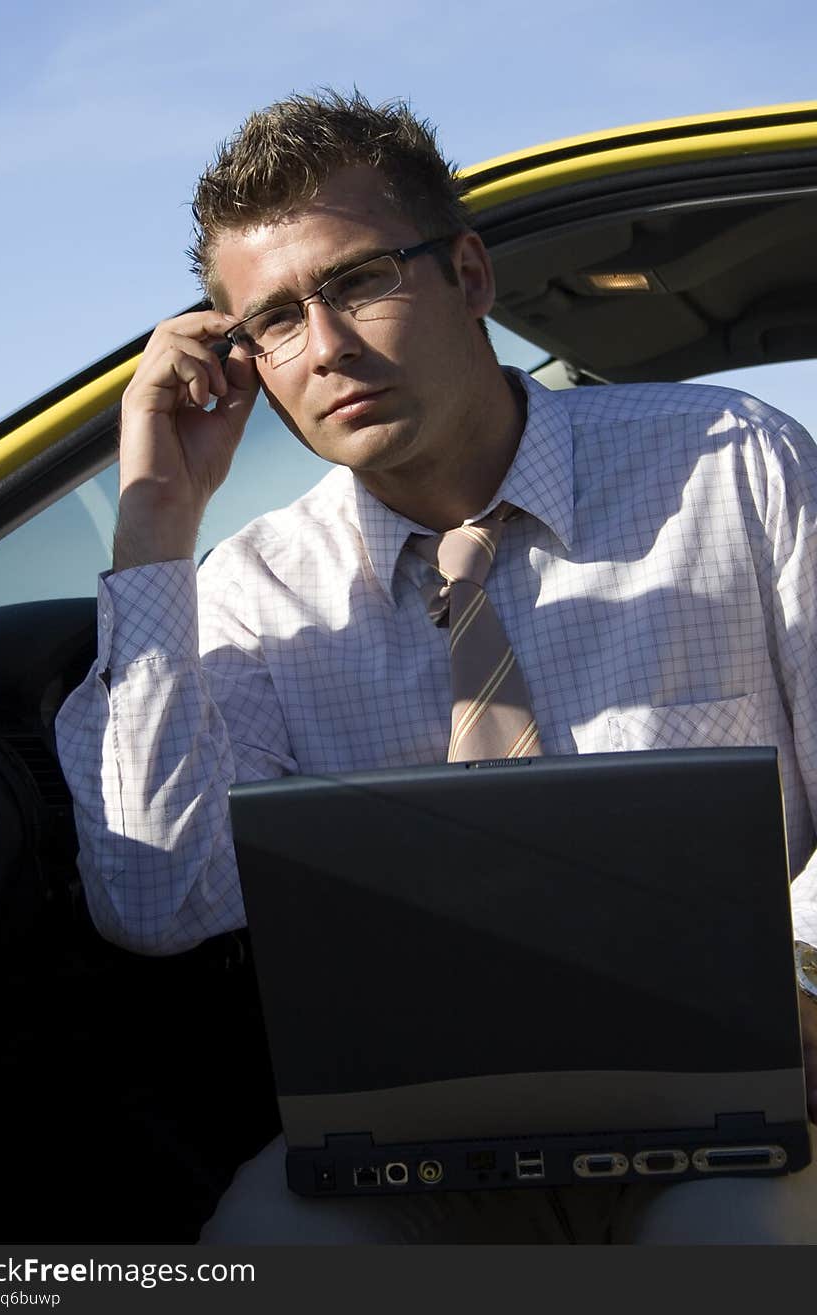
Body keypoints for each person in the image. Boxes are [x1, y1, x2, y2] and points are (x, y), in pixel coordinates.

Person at [55, 89, 817, 1244]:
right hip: (411, 1137)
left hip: (759, 1096)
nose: (327, 348)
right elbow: (158, 902)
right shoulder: (249, 595)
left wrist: (800, 986)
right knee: (265, 1249)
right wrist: (154, 522)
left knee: (726, 1245)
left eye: (358, 281)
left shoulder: (727, 464)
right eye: (273, 322)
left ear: (467, 275)